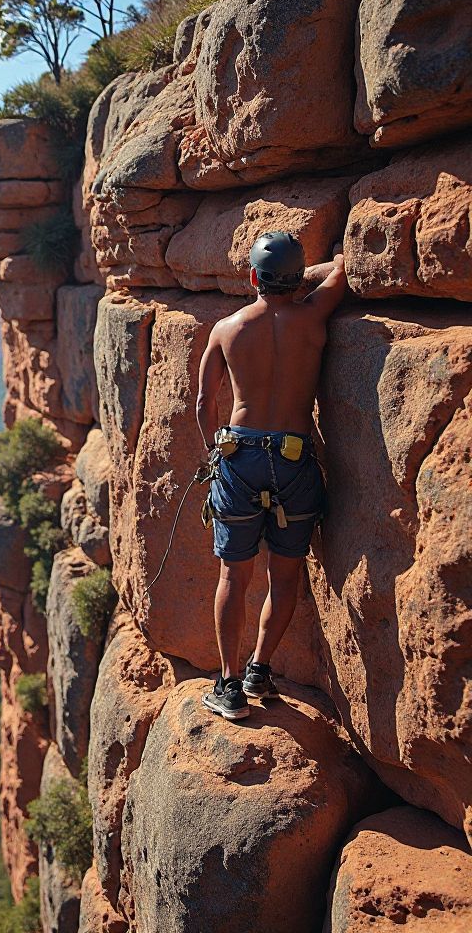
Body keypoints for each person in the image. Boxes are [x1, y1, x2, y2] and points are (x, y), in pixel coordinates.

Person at [194, 231, 349, 721]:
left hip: (240, 459)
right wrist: (306, 279)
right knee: (284, 578)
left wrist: (215, 453)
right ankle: (261, 669)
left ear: (252, 276)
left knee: (233, 576)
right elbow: (343, 266)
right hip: (295, 460)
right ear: (297, 279)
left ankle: (229, 684)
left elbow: (202, 404)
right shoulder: (313, 315)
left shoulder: (226, 329)